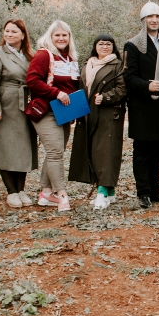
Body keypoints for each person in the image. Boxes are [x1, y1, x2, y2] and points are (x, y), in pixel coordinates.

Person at [0, 18, 39, 208]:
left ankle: (21, 189)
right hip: (6, 104)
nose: (9, 34)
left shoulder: (28, 55)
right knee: (6, 147)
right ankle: (11, 191)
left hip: (25, 105)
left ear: (23, 35)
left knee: (22, 147)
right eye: (6, 31)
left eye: (14, 31)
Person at [26, 19, 81, 212]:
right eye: (57, 35)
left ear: (69, 37)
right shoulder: (44, 55)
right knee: (55, 152)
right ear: (50, 37)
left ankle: (46, 193)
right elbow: (32, 81)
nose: (61, 38)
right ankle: (61, 194)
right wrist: (55, 92)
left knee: (55, 153)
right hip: (46, 111)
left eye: (64, 35)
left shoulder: (70, 57)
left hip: (64, 112)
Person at [124, 1, 159, 209]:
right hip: (143, 106)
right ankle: (143, 192)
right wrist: (147, 86)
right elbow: (128, 77)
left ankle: (155, 190)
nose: (154, 20)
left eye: (158, 17)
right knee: (143, 150)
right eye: (150, 17)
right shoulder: (133, 44)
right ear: (143, 20)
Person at [70, 35, 127, 210]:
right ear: (95, 46)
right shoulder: (87, 64)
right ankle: (109, 193)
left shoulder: (118, 64)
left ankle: (102, 191)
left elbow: (123, 88)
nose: (104, 46)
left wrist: (106, 97)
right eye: (101, 43)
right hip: (88, 114)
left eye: (108, 44)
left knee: (106, 151)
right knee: (93, 151)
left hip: (109, 114)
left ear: (113, 46)